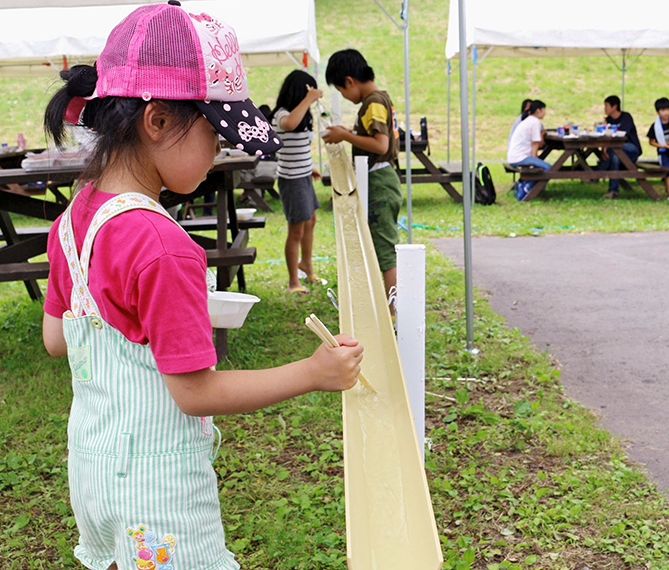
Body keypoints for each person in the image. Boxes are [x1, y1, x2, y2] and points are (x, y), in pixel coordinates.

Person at [40, 5, 364, 570]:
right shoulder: (163, 246)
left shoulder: (72, 223)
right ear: (158, 121)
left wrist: (149, 318)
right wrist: (313, 374)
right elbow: (195, 392)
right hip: (158, 493)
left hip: (94, 475)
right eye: (215, 133)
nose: (219, 152)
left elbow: (58, 338)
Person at [322, 48, 402, 301]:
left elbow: (380, 145)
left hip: (380, 181)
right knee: (381, 248)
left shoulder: (373, 102)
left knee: (386, 252)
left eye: (342, 90)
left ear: (349, 81)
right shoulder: (377, 100)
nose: (344, 96)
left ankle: (394, 312)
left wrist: (345, 136)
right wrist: (349, 132)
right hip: (379, 180)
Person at [271, 70, 324, 295]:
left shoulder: (301, 113)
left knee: (310, 220)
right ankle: (294, 281)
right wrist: (309, 99)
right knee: (296, 230)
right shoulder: (282, 114)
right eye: (308, 91)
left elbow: (297, 146)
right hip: (291, 180)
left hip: (302, 175)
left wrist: (308, 167)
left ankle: (306, 265)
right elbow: (290, 125)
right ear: (300, 92)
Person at [598, 95, 642, 199]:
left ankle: (597, 172)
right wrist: (604, 148)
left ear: (614, 107)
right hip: (616, 151)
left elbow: (620, 136)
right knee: (615, 157)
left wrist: (606, 148)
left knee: (615, 150)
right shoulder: (608, 120)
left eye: (607, 106)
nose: (605, 108)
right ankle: (613, 191)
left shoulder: (626, 117)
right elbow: (605, 136)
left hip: (631, 149)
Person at [507, 100, 551, 201]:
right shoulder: (535, 122)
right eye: (544, 110)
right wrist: (535, 159)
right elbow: (535, 143)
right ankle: (526, 187)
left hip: (513, 157)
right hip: (520, 158)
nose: (544, 113)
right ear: (538, 110)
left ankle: (522, 184)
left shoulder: (528, 120)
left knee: (542, 166)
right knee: (548, 168)